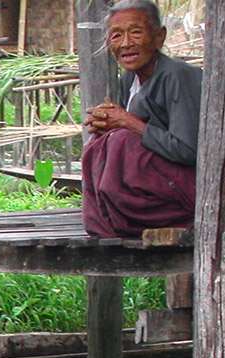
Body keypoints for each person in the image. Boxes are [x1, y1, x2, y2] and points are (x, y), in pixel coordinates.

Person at [80, 0, 201, 238]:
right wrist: (108, 124)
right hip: (157, 185)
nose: (126, 43)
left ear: (159, 37)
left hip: (190, 190)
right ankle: (115, 216)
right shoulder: (129, 79)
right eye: (116, 35)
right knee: (102, 141)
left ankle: (135, 217)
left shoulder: (178, 75)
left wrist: (126, 122)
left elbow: (188, 150)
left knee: (120, 141)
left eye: (136, 32)